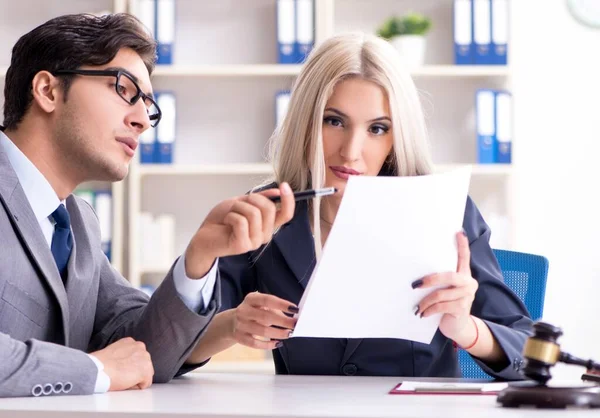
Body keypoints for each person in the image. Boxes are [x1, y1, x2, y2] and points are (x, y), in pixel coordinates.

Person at [187, 32, 533, 380]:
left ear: (397, 138)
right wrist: (232, 325)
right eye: (334, 121)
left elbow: (529, 353)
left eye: (377, 128)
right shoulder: (267, 212)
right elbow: (176, 347)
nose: (351, 150)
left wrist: (466, 329)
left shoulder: (446, 210)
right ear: (306, 123)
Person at [0, 13, 294, 397]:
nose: (142, 120)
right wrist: (97, 370)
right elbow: (112, 366)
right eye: (125, 89)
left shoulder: (76, 223)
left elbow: (144, 348)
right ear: (48, 90)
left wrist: (199, 257)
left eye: (149, 105)